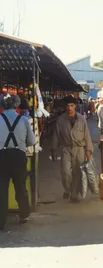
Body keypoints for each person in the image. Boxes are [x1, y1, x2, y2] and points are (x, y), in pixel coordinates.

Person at [0, 93, 35, 230]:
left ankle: (1, 221)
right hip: (18, 156)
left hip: (1, 156)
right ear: (17, 104)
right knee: (20, 186)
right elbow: (31, 141)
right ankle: (23, 215)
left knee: (1, 189)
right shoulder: (23, 120)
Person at [51, 95, 93, 202]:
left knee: (77, 172)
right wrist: (54, 150)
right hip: (66, 148)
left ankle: (74, 193)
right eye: (67, 106)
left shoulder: (81, 119)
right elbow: (56, 135)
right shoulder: (61, 119)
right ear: (65, 107)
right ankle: (68, 189)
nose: (69, 108)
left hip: (79, 149)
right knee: (65, 172)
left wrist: (88, 150)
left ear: (75, 106)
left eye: (71, 105)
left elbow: (87, 135)